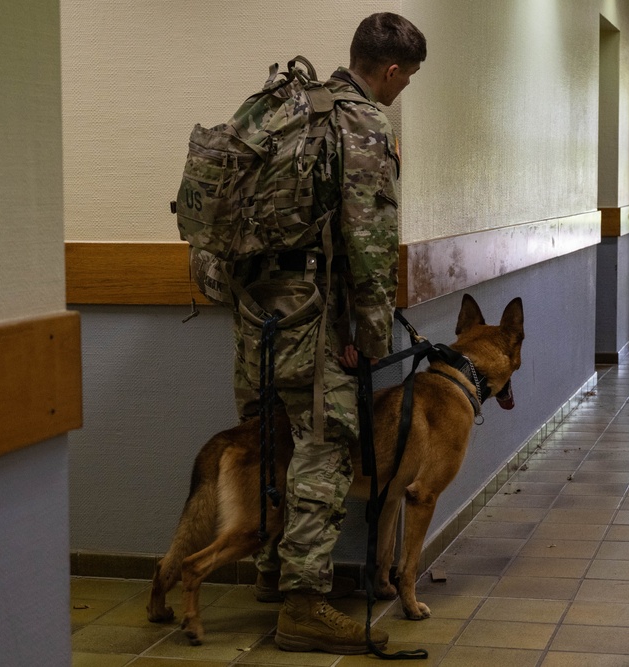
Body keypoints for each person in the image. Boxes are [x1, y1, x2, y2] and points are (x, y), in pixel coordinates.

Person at [230, 13, 426, 654]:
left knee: (271, 440)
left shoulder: (279, 107)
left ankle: (269, 572)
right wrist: (371, 337)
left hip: (255, 312)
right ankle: (304, 605)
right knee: (325, 448)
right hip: (317, 319)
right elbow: (368, 242)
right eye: (408, 78)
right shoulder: (363, 121)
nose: (403, 90)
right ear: (391, 70)